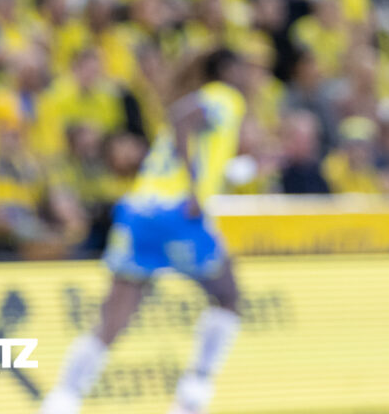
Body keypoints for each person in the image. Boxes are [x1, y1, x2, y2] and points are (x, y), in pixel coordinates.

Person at [40, 48, 250, 414]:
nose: (252, 76)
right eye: (246, 67)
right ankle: (192, 397)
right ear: (229, 70)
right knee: (228, 296)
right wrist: (194, 186)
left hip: (139, 209)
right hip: (176, 210)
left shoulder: (207, 98)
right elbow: (182, 117)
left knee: (113, 318)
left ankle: (61, 400)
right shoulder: (225, 96)